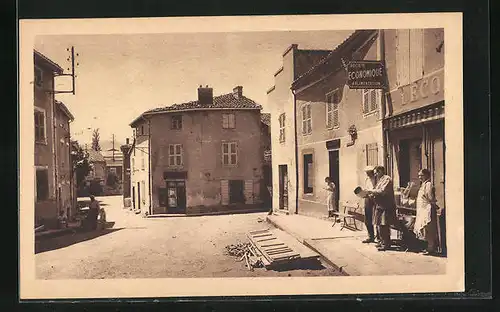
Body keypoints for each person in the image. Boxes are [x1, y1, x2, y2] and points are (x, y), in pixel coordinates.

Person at [366, 166, 398, 251]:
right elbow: (377, 190)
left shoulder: (387, 179)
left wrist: (371, 191)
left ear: (381, 171)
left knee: (384, 225)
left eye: (376, 172)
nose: (375, 174)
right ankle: (382, 242)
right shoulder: (380, 180)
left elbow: (382, 191)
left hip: (386, 206)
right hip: (379, 206)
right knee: (379, 225)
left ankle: (386, 244)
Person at [414, 169, 439, 255]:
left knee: (429, 228)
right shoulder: (423, 184)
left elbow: (430, 197)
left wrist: (433, 204)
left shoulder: (428, 184)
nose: (419, 177)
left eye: (421, 175)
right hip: (422, 209)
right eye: (419, 175)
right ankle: (429, 247)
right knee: (426, 229)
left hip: (427, 209)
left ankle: (431, 248)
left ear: (426, 175)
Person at [361, 166, 378, 243]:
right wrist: (363, 193)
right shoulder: (367, 179)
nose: (367, 174)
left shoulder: (377, 179)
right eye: (366, 173)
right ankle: (370, 236)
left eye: (369, 173)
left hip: (375, 199)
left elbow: (377, 189)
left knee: (377, 219)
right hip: (367, 199)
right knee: (367, 219)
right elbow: (366, 188)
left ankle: (379, 237)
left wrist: (372, 193)